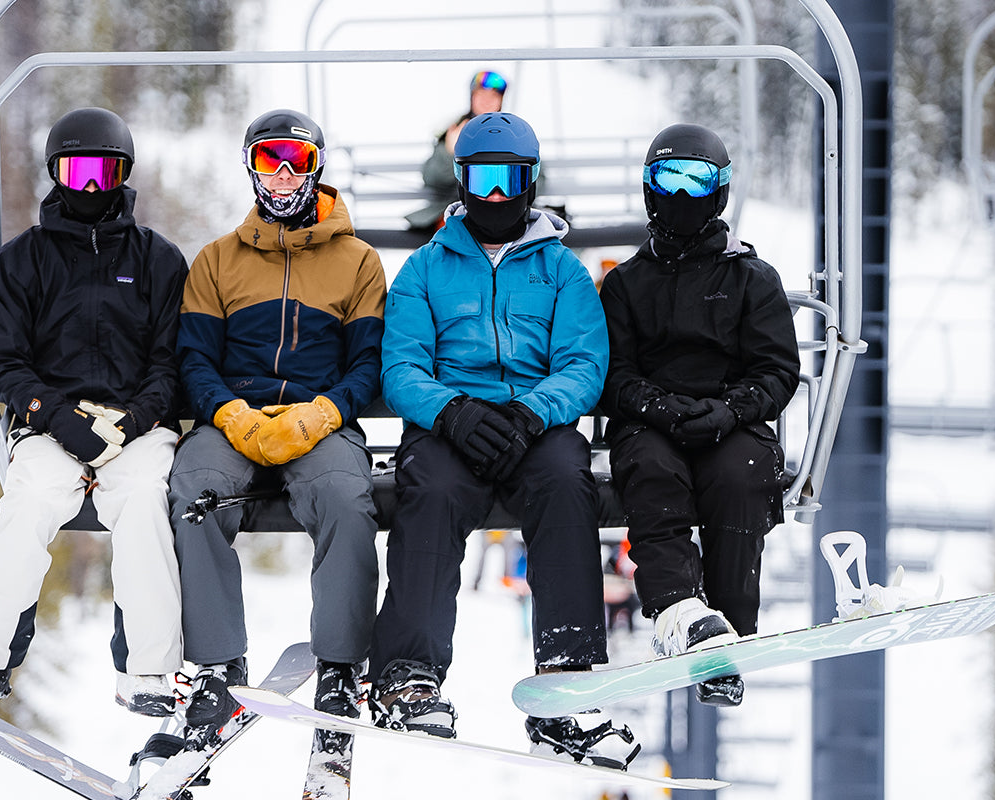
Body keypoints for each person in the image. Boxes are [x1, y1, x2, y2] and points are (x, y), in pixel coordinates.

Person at [369, 111, 641, 770]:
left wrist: (530, 413)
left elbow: (584, 363)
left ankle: (566, 679)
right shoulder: (425, 270)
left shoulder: (562, 271)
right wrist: (453, 412)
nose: (496, 196)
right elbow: (402, 366)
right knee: (430, 491)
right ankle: (409, 675)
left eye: (509, 180)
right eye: (483, 179)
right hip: (449, 424)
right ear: (463, 182)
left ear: (531, 182)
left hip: (534, 426)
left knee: (566, 483)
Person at [0, 107, 189, 727]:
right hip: (52, 425)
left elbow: (171, 362)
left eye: (104, 172)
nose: (91, 187)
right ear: (56, 174)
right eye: (78, 172)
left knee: (145, 499)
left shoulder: (158, 261)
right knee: (30, 499)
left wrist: (135, 420)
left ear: (123, 175)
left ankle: (147, 668)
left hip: (136, 426)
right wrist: (53, 415)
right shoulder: (22, 262)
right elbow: (8, 363)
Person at [169, 108, 386, 752]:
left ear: (316, 168)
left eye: (296, 160)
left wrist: (323, 413)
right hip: (234, 420)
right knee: (195, 493)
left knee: (346, 499)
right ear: (252, 169)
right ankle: (217, 662)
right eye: (270, 160)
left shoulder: (358, 262)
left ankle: (341, 666)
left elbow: (368, 363)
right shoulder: (217, 261)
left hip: (318, 424)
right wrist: (228, 413)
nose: (284, 175)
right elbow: (194, 359)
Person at [598, 123, 799, 707]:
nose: (682, 194)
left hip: (731, 424)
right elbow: (613, 374)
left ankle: (728, 634)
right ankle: (677, 613)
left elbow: (776, 370)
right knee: (652, 473)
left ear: (720, 191)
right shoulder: (626, 284)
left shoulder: (751, 279)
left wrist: (730, 410)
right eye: (669, 179)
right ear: (649, 189)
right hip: (649, 424)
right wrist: (656, 407)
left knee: (741, 475)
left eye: (697, 180)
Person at [404, 69, 509, 232]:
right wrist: (450, 152)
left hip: (503, 211)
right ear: (472, 97)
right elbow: (433, 180)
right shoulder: (455, 131)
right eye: (481, 95)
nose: (487, 101)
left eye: (493, 96)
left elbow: (536, 178)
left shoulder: (513, 134)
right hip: (459, 210)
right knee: (453, 230)